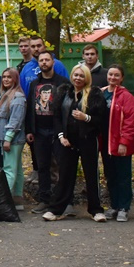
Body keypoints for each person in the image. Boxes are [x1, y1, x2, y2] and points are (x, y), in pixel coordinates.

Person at [43, 64, 106, 222]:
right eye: (76, 75)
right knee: (65, 175)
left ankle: (96, 210)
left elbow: (102, 119)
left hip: (87, 140)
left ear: (87, 78)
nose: (78, 78)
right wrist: (61, 136)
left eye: (81, 76)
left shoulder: (94, 94)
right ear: (71, 76)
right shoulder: (64, 92)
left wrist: (86, 118)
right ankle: (56, 209)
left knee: (91, 175)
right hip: (67, 141)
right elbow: (56, 116)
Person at [25, 49, 70, 213]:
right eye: (41, 60)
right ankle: (44, 199)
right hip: (39, 131)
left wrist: (67, 131)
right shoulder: (34, 84)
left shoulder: (63, 82)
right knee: (42, 166)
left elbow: (68, 108)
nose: (44, 63)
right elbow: (29, 107)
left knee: (62, 165)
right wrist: (29, 129)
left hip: (58, 131)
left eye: (47, 60)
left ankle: (64, 200)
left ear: (53, 62)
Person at [101, 65, 134, 223]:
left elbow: (130, 121)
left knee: (123, 176)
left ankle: (124, 207)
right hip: (105, 143)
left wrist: (124, 142)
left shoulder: (126, 96)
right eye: (111, 74)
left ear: (122, 78)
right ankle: (114, 205)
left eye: (117, 75)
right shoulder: (101, 93)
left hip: (121, 144)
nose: (113, 78)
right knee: (111, 176)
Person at [0, 69, 26, 209]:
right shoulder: (5, 95)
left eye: (9, 77)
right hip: (6, 138)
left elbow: (15, 121)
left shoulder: (17, 97)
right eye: (4, 77)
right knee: (16, 169)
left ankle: (4, 202)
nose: (6, 79)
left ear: (15, 79)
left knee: (9, 170)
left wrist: (8, 139)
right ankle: (16, 199)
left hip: (13, 140)